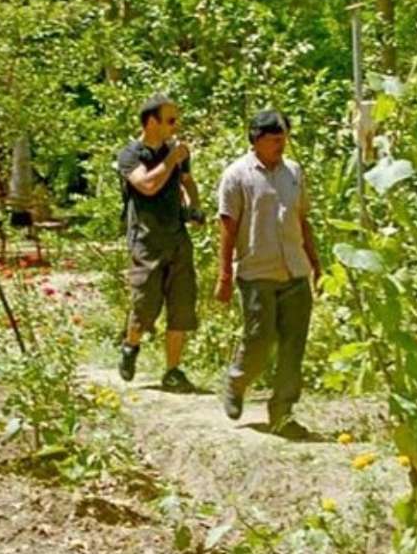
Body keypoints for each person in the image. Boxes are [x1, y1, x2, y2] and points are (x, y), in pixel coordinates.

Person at [215, 110, 322, 439]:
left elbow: (302, 220)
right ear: (257, 139)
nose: (281, 145)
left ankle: (283, 412)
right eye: (275, 140)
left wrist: (316, 263)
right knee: (259, 340)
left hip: (294, 270)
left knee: (294, 345)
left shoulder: (294, 173)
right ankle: (237, 379)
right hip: (256, 270)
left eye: (284, 139)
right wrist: (224, 276)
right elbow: (228, 229)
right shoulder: (237, 176)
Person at [116, 94, 204, 391]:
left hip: (177, 237)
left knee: (182, 304)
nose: (175, 126)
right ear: (151, 122)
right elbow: (148, 185)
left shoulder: (177, 153)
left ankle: (173, 370)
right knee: (145, 305)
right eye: (169, 120)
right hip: (146, 240)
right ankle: (130, 345)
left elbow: (187, 181)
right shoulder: (130, 155)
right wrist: (170, 159)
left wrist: (194, 206)